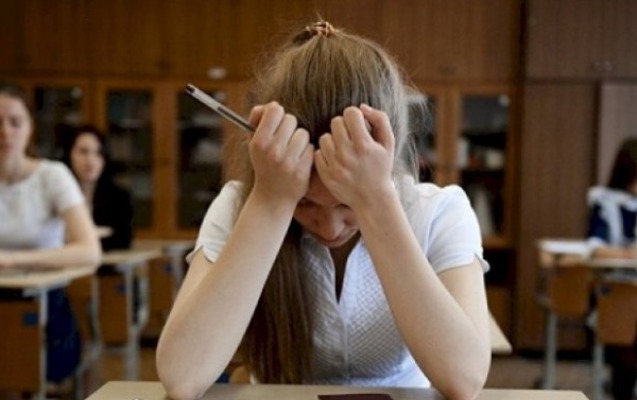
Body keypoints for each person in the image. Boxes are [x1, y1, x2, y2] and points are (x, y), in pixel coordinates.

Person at [156, 21, 491, 400]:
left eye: (347, 203)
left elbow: (464, 379)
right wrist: (271, 202)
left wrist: (377, 204)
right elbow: (182, 377)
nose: (330, 228)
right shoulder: (239, 206)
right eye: (304, 203)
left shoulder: (441, 212)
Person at [0, 83, 101, 383]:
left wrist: (10, 260)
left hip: (44, 304)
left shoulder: (52, 176)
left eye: (15, 122)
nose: (5, 132)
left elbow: (89, 251)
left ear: (30, 127)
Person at [587, 138, 637, 400]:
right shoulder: (605, 202)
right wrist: (628, 254)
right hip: (618, 288)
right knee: (625, 340)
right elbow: (596, 248)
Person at [61, 125, 134, 251]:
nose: (90, 160)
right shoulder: (56, 192)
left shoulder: (119, 197)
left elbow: (123, 239)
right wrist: (99, 233)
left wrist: (79, 237)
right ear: (69, 154)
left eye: (98, 153)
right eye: (83, 152)